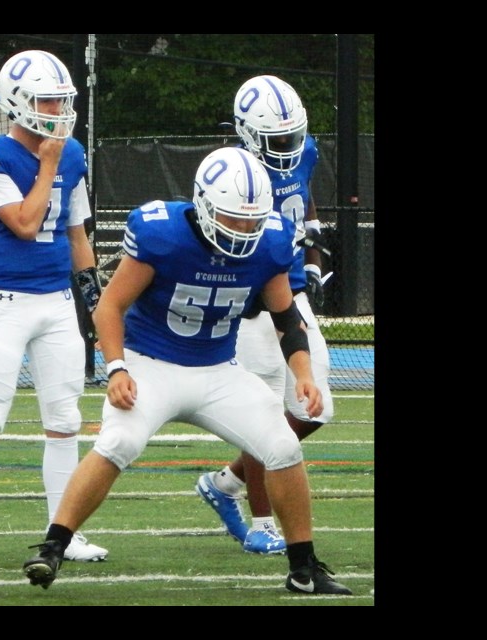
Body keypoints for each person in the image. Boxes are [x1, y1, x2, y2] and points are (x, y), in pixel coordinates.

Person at [22, 147, 351, 595]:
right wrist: (117, 368)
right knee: (118, 441)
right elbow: (110, 307)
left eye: (252, 221)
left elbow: (287, 319)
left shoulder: (270, 240)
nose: (243, 230)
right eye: (234, 219)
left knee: (282, 445)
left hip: (218, 369)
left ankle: (304, 569)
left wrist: (305, 374)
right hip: (151, 362)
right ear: (204, 205)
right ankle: (53, 546)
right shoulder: (164, 234)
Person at [0, 50, 108, 563]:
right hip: (5, 302)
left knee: (65, 420)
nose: (56, 108)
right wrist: (48, 162)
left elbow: (77, 232)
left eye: (61, 98)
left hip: (55, 302)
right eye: (46, 99)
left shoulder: (72, 153)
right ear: (17, 102)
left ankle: (64, 533)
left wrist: (93, 299)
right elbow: (26, 224)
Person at [195, 75, 336, 556]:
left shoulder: (304, 149)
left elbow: (304, 196)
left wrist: (313, 247)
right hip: (251, 297)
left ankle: (226, 482)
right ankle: (260, 522)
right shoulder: (231, 169)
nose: (289, 147)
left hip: (291, 290)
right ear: (249, 134)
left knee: (316, 409)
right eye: (278, 139)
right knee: (262, 415)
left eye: (294, 136)